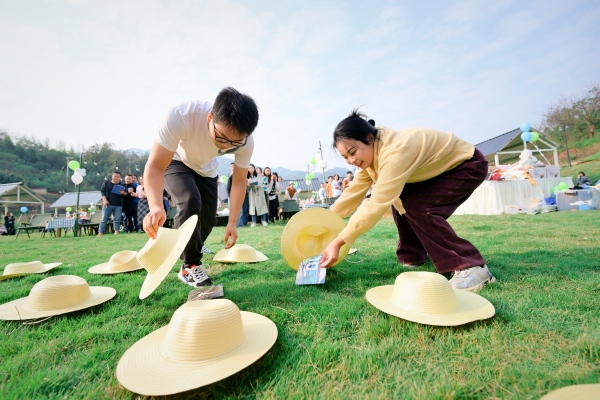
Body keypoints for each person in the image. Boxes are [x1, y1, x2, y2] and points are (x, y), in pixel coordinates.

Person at [320, 109, 495, 293]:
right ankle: (413, 255)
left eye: (353, 152)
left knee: (419, 208)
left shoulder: (396, 151)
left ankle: (470, 267)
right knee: (401, 202)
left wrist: (339, 242)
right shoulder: (370, 158)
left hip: (466, 164)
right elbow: (353, 192)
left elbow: (376, 203)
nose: (351, 160)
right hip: (436, 171)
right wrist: (323, 219)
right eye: (346, 157)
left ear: (370, 139)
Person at [143, 87, 259, 288]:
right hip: (176, 160)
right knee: (190, 200)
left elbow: (239, 182)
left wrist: (232, 222)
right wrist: (155, 206)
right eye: (222, 138)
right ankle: (190, 265)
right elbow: (154, 166)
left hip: (207, 170)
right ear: (210, 117)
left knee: (208, 219)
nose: (225, 147)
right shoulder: (181, 116)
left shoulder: (246, 142)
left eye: (235, 143)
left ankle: (193, 248)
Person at [98, 171, 127, 236]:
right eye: (115, 176)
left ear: (120, 177)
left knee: (117, 219)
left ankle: (116, 231)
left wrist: (123, 193)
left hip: (118, 205)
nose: (116, 178)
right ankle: (101, 232)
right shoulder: (107, 183)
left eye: (118, 176)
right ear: (112, 176)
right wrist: (105, 200)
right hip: (108, 204)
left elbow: (126, 194)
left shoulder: (122, 185)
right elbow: (103, 192)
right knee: (104, 219)